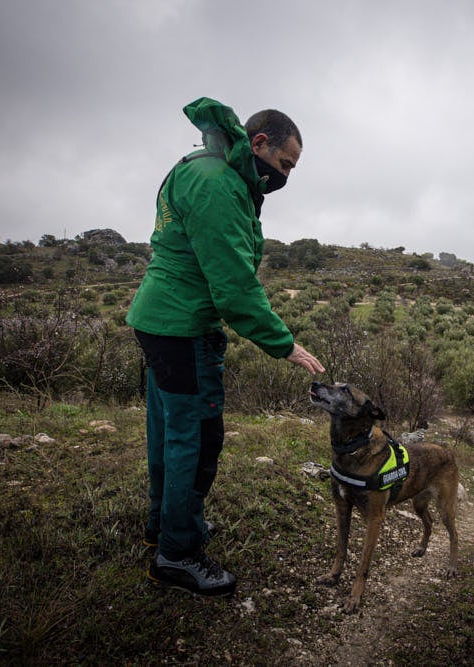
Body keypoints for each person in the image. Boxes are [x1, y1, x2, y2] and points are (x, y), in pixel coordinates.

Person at [126, 97, 325, 596]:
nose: (284, 177)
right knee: (195, 443)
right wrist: (285, 345)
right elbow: (234, 288)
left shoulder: (198, 165)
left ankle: (164, 528)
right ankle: (177, 554)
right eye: (284, 164)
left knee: (169, 431)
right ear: (259, 143)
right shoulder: (220, 186)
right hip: (183, 327)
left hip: (156, 316)